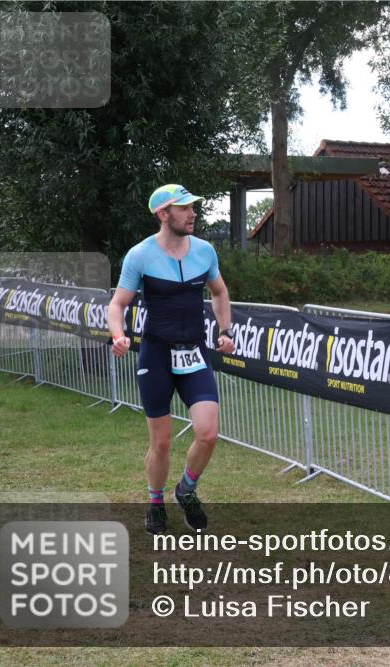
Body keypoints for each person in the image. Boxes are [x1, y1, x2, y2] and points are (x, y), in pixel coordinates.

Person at [108, 184, 236, 534]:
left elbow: (220, 291)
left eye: (193, 207)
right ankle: (155, 501)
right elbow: (118, 304)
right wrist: (118, 335)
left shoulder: (205, 251)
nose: (192, 213)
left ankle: (187, 490)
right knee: (161, 441)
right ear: (163, 214)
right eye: (183, 208)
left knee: (208, 433)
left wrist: (226, 331)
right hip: (157, 354)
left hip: (195, 351)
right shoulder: (140, 255)